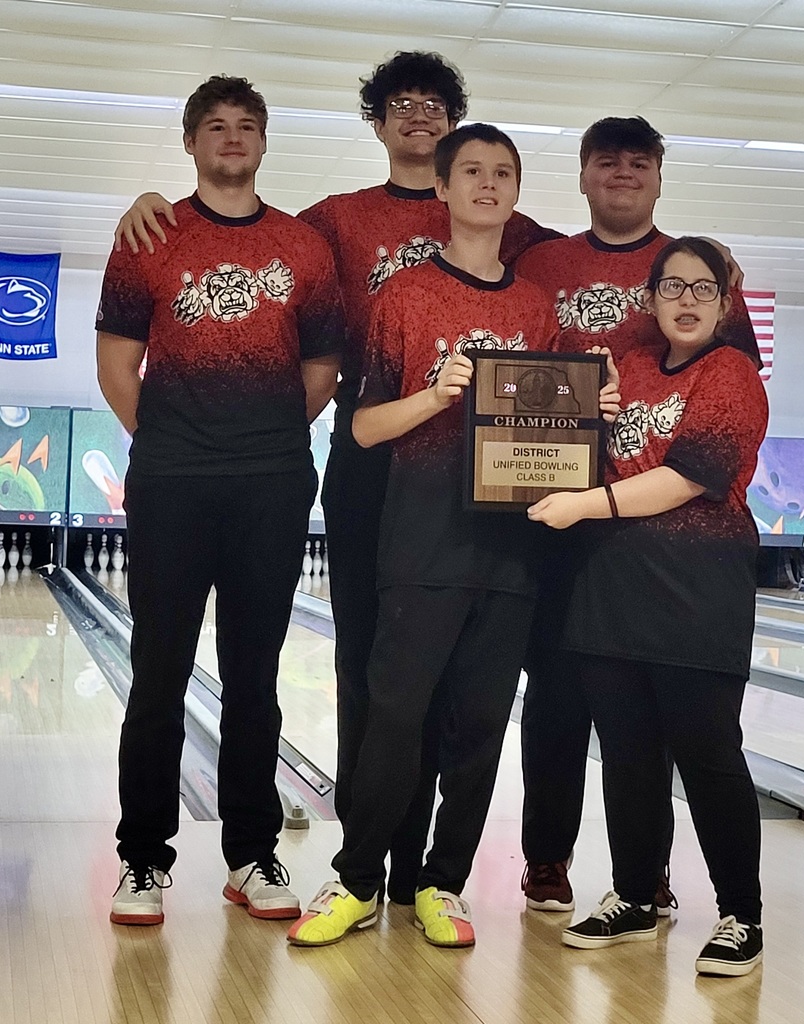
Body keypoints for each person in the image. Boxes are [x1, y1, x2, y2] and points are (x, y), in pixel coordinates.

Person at [111, 52, 558, 905]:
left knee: (415, 675)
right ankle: (362, 854)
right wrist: (149, 204)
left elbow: (584, 260)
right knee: (365, 664)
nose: (420, 119)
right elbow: (236, 218)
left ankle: (402, 869)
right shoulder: (326, 223)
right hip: (367, 460)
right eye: (402, 105)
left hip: (470, 477)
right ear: (379, 122)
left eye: (437, 108)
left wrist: (700, 256)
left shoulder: (511, 223)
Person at [286, 123, 618, 950]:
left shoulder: (536, 307)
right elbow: (362, 427)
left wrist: (595, 414)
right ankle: (359, 879)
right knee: (395, 714)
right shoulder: (403, 296)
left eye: (502, 172)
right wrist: (436, 395)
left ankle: (443, 883)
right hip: (420, 535)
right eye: (471, 170)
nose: (487, 184)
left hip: (511, 544)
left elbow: (557, 434)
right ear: (441, 188)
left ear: (515, 190)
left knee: (476, 724)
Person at [96, 75, 342, 926]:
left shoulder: (304, 247)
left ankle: (252, 854)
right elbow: (116, 365)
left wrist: (261, 438)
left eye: (246, 126)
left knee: (254, 674)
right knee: (158, 673)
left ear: (264, 143)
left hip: (269, 487)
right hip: (171, 486)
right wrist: (169, 442)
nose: (231, 138)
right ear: (192, 143)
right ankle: (142, 859)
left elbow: (319, 373)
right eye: (215, 126)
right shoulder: (147, 237)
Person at [515, 117, 761, 914]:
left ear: (723, 302)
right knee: (617, 746)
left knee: (701, 748)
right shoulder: (622, 356)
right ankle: (622, 887)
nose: (683, 301)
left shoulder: (727, 370)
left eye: (700, 290)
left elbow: (694, 470)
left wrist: (578, 501)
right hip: (608, 575)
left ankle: (736, 913)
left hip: (692, 583)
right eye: (670, 289)